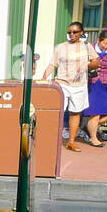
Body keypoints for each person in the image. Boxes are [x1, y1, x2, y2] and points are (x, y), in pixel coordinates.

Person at [41, 21, 98, 152]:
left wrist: (87, 65)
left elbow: (96, 62)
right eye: (69, 32)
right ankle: (50, 140)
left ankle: (71, 142)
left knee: (75, 112)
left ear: (81, 33)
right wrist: (43, 78)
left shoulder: (87, 46)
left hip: (79, 84)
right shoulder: (61, 47)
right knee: (57, 111)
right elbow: (52, 65)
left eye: (75, 32)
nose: (71, 34)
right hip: (62, 83)